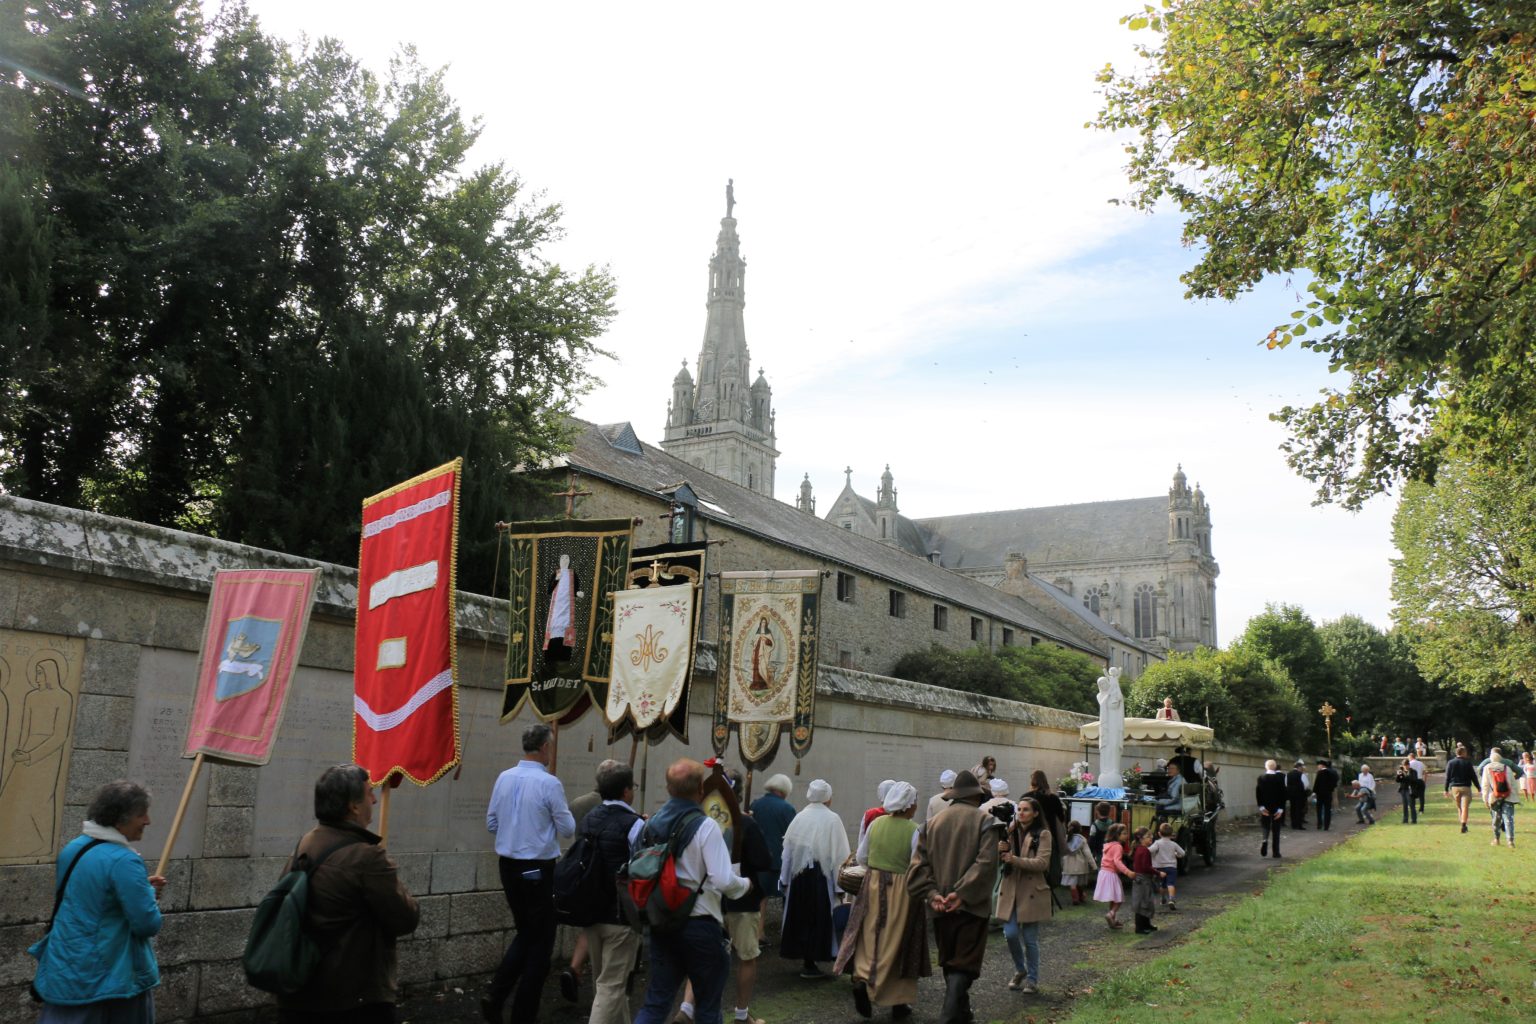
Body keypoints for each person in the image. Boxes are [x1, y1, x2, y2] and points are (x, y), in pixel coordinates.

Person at [275, 765, 420, 1023]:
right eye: (369, 793)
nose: (374, 800)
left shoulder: (305, 845)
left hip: (301, 993)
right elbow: (405, 918)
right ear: (353, 806)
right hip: (353, 999)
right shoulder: (367, 857)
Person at [29, 779, 166, 1023]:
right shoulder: (125, 861)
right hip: (109, 975)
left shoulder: (75, 848)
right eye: (141, 814)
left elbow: (92, 896)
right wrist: (148, 896)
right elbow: (147, 924)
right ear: (120, 818)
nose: (147, 821)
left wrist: (139, 888)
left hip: (67, 964)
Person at [633, 759, 751, 1024]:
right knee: (708, 1006)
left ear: (668, 788)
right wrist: (745, 884)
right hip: (700, 922)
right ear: (700, 788)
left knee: (655, 1002)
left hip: (661, 920)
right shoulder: (706, 825)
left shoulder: (650, 824)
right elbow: (722, 879)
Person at [482, 723, 575, 1024]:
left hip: (507, 865)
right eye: (552, 747)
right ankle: (519, 1010)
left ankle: (496, 995)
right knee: (541, 942)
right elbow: (568, 828)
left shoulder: (504, 777)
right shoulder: (549, 783)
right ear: (545, 747)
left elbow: (492, 823)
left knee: (527, 932)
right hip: (537, 866)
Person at [905, 770, 1000, 1024]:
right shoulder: (986, 822)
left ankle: (962, 1013)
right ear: (976, 797)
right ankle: (948, 1016)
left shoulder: (931, 824)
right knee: (965, 962)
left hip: (940, 906)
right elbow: (986, 863)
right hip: (971, 905)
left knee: (950, 960)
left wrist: (933, 894)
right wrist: (962, 893)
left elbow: (917, 867)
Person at [837, 781, 928, 1020]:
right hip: (901, 889)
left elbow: (862, 857)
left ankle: (862, 979)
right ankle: (897, 1001)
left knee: (869, 935)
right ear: (908, 805)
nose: (916, 806)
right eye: (914, 802)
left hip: (873, 885)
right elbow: (917, 863)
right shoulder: (914, 830)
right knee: (897, 940)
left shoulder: (876, 824)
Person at [575, 761, 644, 1024]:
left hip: (591, 910)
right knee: (612, 987)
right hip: (621, 914)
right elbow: (641, 867)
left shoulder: (589, 818)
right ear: (626, 791)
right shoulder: (634, 824)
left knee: (606, 985)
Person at [563, 758, 625, 1002]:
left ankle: (575, 967)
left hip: (583, 870)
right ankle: (592, 982)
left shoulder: (578, 804)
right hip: (606, 876)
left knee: (590, 926)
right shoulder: (614, 811)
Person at [778, 779, 850, 979]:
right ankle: (815, 959)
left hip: (799, 878)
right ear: (828, 798)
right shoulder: (832, 819)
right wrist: (840, 885)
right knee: (819, 918)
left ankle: (807, 960)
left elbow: (788, 852)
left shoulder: (800, 817)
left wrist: (784, 878)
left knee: (801, 917)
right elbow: (839, 855)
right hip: (821, 877)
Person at [998, 795, 1053, 994]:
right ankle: (1020, 969)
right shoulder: (1010, 830)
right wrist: (1000, 851)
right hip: (1010, 888)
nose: (1021, 813)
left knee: (1030, 939)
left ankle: (1032, 979)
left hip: (1031, 890)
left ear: (1036, 813)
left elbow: (1042, 863)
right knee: (1010, 933)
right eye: (1019, 809)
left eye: (1026, 809)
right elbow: (1001, 860)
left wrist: (1014, 859)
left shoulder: (1043, 834)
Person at [749, 773, 795, 938]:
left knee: (759, 899)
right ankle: (786, 934)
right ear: (785, 790)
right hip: (778, 861)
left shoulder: (755, 805)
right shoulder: (787, 809)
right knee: (787, 898)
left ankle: (757, 934)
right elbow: (793, 836)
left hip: (756, 860)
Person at [1093, 822, 1133, 929]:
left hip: (1104, 873)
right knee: (1119, 898)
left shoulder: (1108, 845)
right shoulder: (1118, 846)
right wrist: (1127, 872)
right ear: (1117, 835)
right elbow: (1117, 861)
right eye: (1124, 833)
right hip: (1111, 874)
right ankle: (1111, 914)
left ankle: (1113, 920)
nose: (1126, 835)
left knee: (1113, 898)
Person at [1481, 749, 1518, 847]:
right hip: (1508, 796)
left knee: (1496, 819)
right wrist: (1514, 796)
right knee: (1508, 819)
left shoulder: (1487, 768)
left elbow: (1485, 785)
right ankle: (1510, 841)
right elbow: (1513, 784)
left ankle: (1496, 839)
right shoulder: (1507, 768)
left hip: (1494, 797)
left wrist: (1485, 799)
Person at [1059, 821, 1097, 906]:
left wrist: (1062, 864)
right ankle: (1081, 897)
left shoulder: (1066, 839)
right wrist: (1094, 866)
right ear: (1080, 829)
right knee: (1079, 883)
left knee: (1072, 884)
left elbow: (1062, 853)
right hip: (1080, 866)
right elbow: (1088, 854)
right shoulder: (1082, 840)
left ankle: (1075, 899)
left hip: (1068, 865)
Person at [1129, 827, 1159, 934]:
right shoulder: (1144, 850)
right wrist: (1158, 872)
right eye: (1148, 836)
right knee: (1143, 903)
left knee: (1147, 901)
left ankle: (1146, 924)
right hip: (1143, 879)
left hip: (1141, 878)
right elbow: (1146, 867)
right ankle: (1140, 927)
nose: (1151, 838)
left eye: (1151, 835)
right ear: (1141, 838)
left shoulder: (1140, 849)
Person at [1148, 822, 1184, 911]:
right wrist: (1177, 854)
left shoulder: (1157, 843)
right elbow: (1182, 853)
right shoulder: (1173, 844)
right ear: (1171, 834)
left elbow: (1149, 850)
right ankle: (1171, 899)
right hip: (1172, 867)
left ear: (1159, 833)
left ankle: (1163, 898)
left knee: (1162, 884)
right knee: (1171, 884)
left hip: (1160, 868)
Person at [1444, 743, 1480, 833]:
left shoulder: (1450, 763)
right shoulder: (1467, 763)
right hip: (1465, 787)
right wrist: (1478, 787)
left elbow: (1447, 777)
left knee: (1459, 807)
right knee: (1465, 807)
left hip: (1455, 787)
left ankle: (1462, 823)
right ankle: (1463, 825)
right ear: (1463, 753)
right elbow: (1473, 776)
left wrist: (1445, 789)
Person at [1255, 759, 1286, 858]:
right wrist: (1281, 809)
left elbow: (1258, 793)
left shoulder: (1261, 778)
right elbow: (1283, 794)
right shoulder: (1280, 778)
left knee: (1265, 825)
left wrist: (1261, 806)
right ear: (1275, 767)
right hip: (1276, 806)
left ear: (1266, 767)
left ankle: (1265, 839)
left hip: (1265, 806)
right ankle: (1276, 852)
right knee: (1276, 829)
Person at [1313, 759, 1339, 831]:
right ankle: (1326, 826)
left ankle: (1319, 824)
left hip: (1320, 794)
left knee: (1319, 809)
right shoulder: (1331, 772)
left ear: (1322, 765)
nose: (1318, 767)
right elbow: (1335, 782)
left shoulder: (1320, 773)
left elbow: (1316, 784)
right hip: (1328, 794)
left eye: (1319, 765)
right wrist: (1331, 789)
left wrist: (1314, 792)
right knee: (1327, 810)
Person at [1285, 760, 1309, 830]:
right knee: (1299, 809)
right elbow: (1306, 784)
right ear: (1299, 767)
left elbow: (1286, 784)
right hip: (1300, 794)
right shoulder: (1301, 774)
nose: (1302, 768)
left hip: (1291, 794)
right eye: (1301, 767)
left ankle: (1293, 824)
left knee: (1292, 809)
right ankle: (1299, 824)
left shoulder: (1288, 774)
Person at [1394, 758, 1418, 824]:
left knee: (1411, 805)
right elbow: (1397, 780)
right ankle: (1405, 819)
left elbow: (1414, 780)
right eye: (1404, 765)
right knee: (1405, 805)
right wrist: (1398, 775)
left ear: (1408, 765)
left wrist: (1404, 776)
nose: (1405, 767)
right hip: (1403, 790)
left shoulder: (1413, 771)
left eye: (1406, 765)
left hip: (1410, 790)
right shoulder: (1401, 771)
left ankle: (1414, 820)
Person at [1407, 749, 1427, 815]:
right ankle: (1421, 810)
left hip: (1413, 781)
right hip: (1420, 780)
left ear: (1410, 757)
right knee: (1421, 796)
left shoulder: (1410, 764)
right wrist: (1424, 781)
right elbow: (1425, 773)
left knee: (1412, 795)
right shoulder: (1421, 763)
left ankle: (1413, 808)